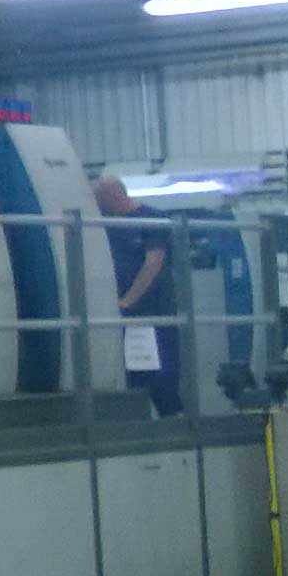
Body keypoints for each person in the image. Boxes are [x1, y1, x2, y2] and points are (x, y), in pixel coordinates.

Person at [94, 174, 182, 416]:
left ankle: (171, 417)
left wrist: (128, 301)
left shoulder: (152, 219)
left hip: (154, 312)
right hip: (123, 316)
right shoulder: (106, 226)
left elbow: (153, 263)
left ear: (113, 196)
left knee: (161, 372)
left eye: (100, 201)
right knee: (133, 374)